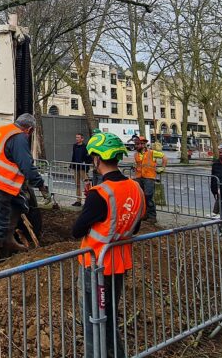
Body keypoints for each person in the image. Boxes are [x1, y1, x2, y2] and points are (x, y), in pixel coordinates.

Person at [72, 132, 144, 358]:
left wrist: (89, 207)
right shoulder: (135, 188)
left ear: (97, 159)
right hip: (120, 262)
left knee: (93, 319)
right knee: (110, 316)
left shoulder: (100, 193)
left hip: (95, 265)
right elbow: (136, 225)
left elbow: (77, 230)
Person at [0, 113, 49, 268]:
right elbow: (27, 166)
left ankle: (8, 240)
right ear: (29, 129)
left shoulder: (2, 130)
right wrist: (41, 185)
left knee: (20, 205)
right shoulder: (19, 138)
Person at [132, 136, 165, 223]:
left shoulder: (152, 153)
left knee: (148, 196)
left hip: (149, 178)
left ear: (143, 144)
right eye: (136, 144)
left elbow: (164, 157)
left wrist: (163, 167)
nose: (136, 146)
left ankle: (152, 216)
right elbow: (139, 164)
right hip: (139, 177)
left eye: (137, 144)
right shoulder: (136, 154)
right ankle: (145, 214)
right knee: (142, 197)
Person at [70, 133, 90, 206]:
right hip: (76, 167)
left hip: (83, 168)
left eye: (78, 137)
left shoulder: (85, 147)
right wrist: (71, 165)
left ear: (82, 139)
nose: (77, 139)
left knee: (86, 183)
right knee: (77, 184)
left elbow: (89, 157)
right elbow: (73, 156)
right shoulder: (74, 146)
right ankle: (78, 200)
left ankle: (87, 200)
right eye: (76, 137)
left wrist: (86, 163)